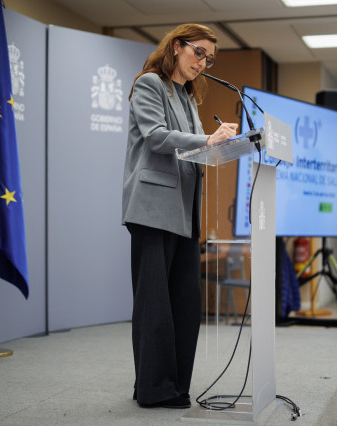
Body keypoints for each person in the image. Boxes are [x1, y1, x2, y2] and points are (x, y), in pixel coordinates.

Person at [121, 23, 238, 408]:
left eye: (210, 59)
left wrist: (223, 147)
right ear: (177, 46)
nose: (203, 63)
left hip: (185, 212)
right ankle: (152, 389)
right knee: (155, 304)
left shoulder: (188, 97)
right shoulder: (149, 84)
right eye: (198, 53)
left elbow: (191, 151)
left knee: (184, 304)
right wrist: (207, 140)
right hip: (153, 209)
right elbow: (156, 136)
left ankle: (175, 385)